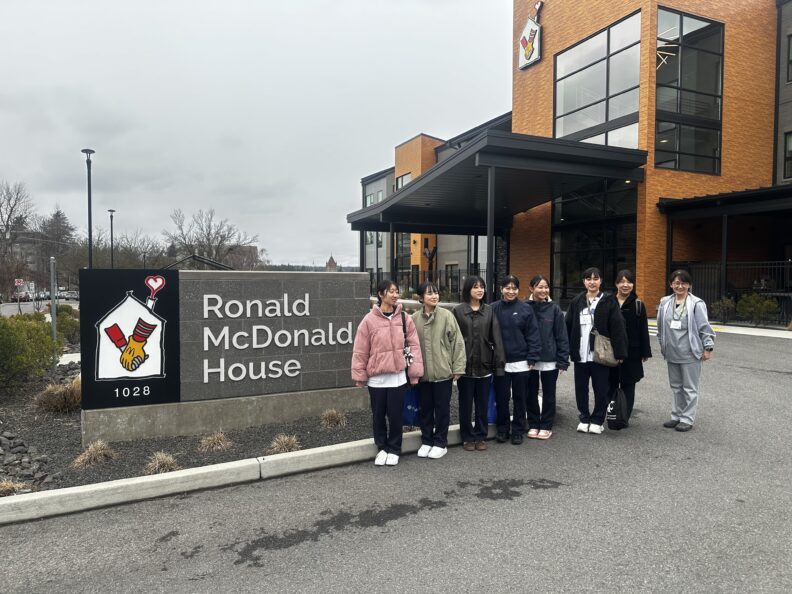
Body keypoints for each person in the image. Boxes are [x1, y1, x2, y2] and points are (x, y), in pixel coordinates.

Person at [352, 280, 424, 466]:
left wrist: (415, 372)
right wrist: (359, 375)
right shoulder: (369, 320)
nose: (395, 295)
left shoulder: (404, 318)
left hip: (398, 377)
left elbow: (414, 346)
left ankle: (394, 448)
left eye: (396, 291)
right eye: (391, 291)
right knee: (378, 416)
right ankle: (382, 448)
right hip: (377, 379)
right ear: (380, 294)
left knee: (395, 415)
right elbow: (361, 349)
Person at [565, 267, 628, 435]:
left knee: (601, 388)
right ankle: (584, 417)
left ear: (600, 281)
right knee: (581, 388)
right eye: (588, 278)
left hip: (600, 355)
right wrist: (567, 350)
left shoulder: (608, 301)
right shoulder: (577, 301)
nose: (592, 282)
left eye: (595, 278)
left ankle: (598, 419)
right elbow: (568, 326)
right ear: (584, 281)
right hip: (581, 355)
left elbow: (618, 328)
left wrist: (620, 353)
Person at [411, 282, 466, 460]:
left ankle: (441, 442)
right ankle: (427, 440)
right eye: (429, 294)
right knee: (425, 409)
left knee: (442, 409)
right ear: (421, 298)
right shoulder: (414, 319)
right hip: (423, 373)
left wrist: (458, 367)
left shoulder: (446, 316)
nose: (434, 296)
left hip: (443, 372)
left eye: (435, 293)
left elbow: (457, 342)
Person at [656, 269, 715, 432]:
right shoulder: (665, 302)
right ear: (671, 284)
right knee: (676, 386)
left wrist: (708, 347)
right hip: (672, 352)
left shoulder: (697, 303)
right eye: (676, 283)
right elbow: (660, 327)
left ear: (689, 285)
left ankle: (687, 419)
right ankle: (676, 415)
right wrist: (662, 345)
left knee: (689, 388)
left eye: (683, 283)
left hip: (690, 353)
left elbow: (704, 327)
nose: (679, 286)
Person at [452, 275, 505, 451]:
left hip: (484, 366)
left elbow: (496, 338)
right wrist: (454, 365)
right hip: (464, 367)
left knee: (482, 404)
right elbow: (453, 340)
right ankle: (467, 437)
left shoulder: (489, 311)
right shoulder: (458, 311)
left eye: (482, 286)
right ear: (468, 290)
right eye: (475, 287)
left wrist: (498, 366)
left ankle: (481, 435)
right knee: (465, 405)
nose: (480, 290)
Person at [491, 275, 541, 445]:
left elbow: (533, 335)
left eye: (514, 288)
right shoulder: (493, 308)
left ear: (518, 290)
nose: (511, 291)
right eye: (507, 288)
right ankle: (503, 429)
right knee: (502, 397)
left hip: (521, 361)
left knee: (520, 398)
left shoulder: (526, 309)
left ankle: (518, 429)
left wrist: (532, 357)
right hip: (500, 362)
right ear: (501, 289)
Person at [526, 275, 569, 440]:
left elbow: (562, 336)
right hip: (530, 359)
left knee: (549, 393)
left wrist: (563, 360)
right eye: (539, 287)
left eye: (546, 287)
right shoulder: (524, 307)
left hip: (550, 358)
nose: (543, 290)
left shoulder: (555, 309)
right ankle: (533, 423)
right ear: (531, 289)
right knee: (530, 392)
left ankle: (546, 425)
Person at [610, 270, 652, 425]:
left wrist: (645, 351)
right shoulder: (609, 302)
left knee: (628, 385)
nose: (625, 285)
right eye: (621, 281)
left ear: (633, 284)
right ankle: (612, 413)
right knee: (610, 383)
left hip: (632, 352)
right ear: (616, 284)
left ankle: (624, 417)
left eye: (628, 282)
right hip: (611, 350)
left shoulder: (638, 304)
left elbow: (643, 330)